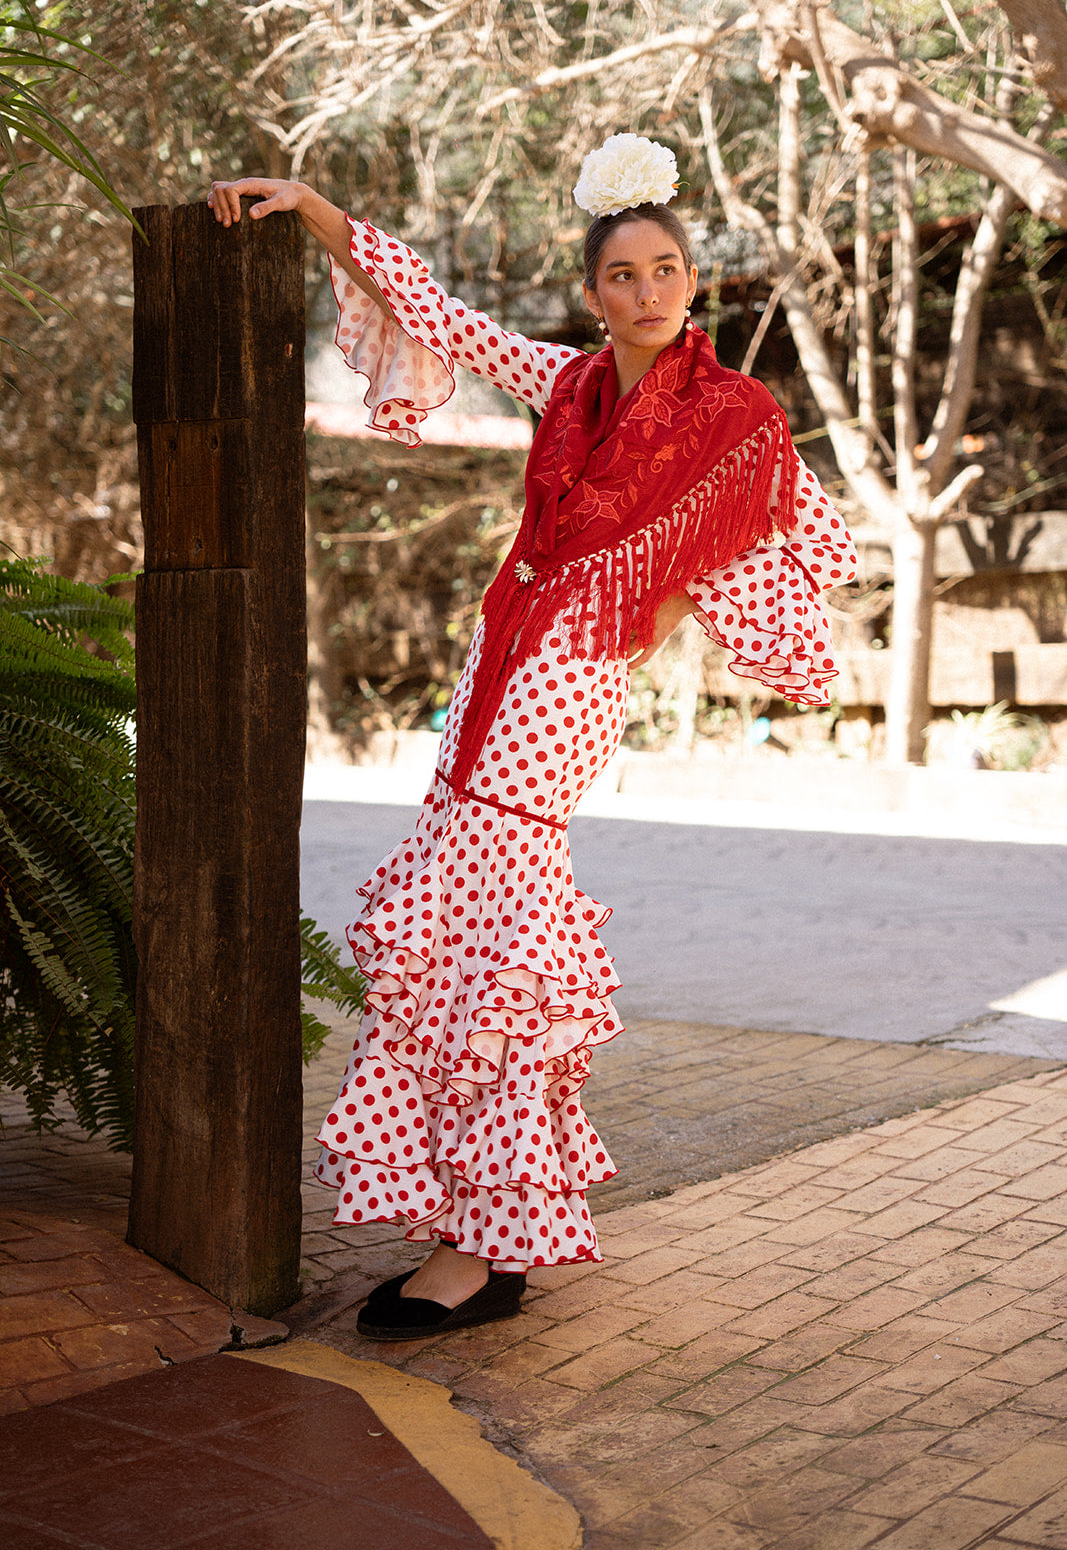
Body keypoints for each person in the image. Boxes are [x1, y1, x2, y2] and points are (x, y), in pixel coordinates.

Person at [209, 135, 857, 1342]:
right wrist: (308, 208)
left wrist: (647, 620)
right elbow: (440, 315)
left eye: (669, 268)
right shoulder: (565, 386)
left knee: (501, 936)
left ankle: (489, 1245)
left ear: (691, 281)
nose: (651, 290)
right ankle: (477, 1225)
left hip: (567, 682)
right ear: (592, 291)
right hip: (494, 660)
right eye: (625, 274)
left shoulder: (735, 413)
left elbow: (808, 535)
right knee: (454, 928)